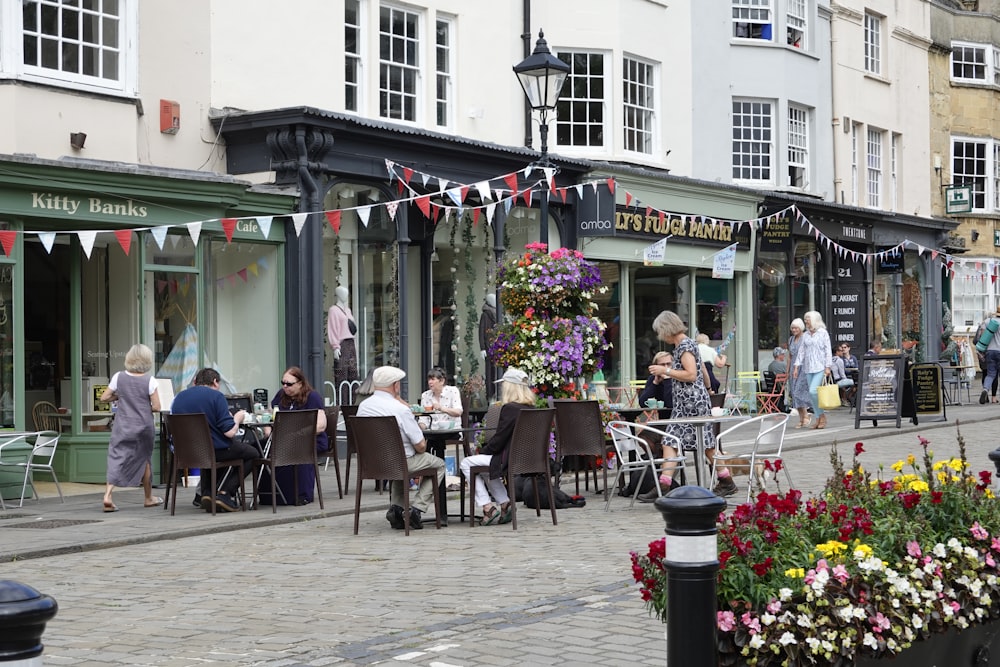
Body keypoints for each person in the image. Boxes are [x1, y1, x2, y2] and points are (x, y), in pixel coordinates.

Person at [642, 310, 734, 499]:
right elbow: (702, 372)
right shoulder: (687, 344)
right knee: (675, 441)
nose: (660, 336)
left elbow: (691, 374)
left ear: (667, 329)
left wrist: (665, 369)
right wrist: (708, 389)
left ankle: (725, 481)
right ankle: (665, 484)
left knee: (701, 442)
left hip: (691, 403)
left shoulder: (684, 346)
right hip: (689, 403)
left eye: (660, 331)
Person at [357, 366, 446, 530]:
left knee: (399, 464)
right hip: (402, 461)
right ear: (395, 385)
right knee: (439, 464)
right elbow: (420, 446)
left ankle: (396, 508)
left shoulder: (363, 407)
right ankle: (417, 509)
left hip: (372, 463)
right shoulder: (400, 409)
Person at [171, 367, 255, 512]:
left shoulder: (179, 397)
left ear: (195, 382)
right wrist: (237, 418)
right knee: (252, 454)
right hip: (214, 451)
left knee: (213, 448)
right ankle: (225, 493)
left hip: (185, 453)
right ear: (215, 382)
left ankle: (208, 493)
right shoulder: (216, 397)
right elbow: (229, 432)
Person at [459, 367, 534, 525]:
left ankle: (488, 507)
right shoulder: (530, 408)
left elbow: (500, 439)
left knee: (466, 463)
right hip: (524, 457)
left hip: (507, 458)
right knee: (485, 469)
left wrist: (482, 451)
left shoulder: (510, 409)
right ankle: (505, 503)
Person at [100, 344, 161, 512]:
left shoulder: (118, 377)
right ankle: (148, 498)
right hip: (143, 427)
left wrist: (120, 395)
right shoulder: (150, 380)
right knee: (145, 459)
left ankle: (108, 495)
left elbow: (104, 397)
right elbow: (156, 406)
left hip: (123, 425)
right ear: (147, 360)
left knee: (116, 457)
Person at [264, 366, 328, 505]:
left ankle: (299, 494)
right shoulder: (281, 395)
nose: (285, 387)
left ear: (300, 383)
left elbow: (321, 425)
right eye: (283, 383)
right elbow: (271, 416)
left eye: (289, 384)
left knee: (296, 448)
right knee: (261, 448)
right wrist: (268, 430)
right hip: (282, 440)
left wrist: (299, 433)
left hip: (309, 440)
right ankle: (268, 494)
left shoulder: (312, 397)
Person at [793, 311, 833, 430]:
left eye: (808, 319)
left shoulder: (823, 333)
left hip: (820, 367)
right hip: (808, 367)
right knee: (812, 394)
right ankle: (818, 418)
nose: (806, 321)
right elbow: (801, 352)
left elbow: (828, 350)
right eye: (805, 319)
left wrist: (828, 366)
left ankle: (821, 416)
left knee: (812, 391)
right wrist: (796, 366)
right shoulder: (805, 335)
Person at [420, 367, 463, 457]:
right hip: (433, 431)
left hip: (452, 430)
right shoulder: (425, 395)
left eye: (433, 379)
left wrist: (441, 408)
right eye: (429, 379)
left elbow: (458, 412)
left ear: (442, 381)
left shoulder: (453, 391)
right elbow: (424, 420)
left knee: (435, 439)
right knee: (421, 438)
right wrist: (419, 427)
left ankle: (437, 465)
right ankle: (428, 466)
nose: (429, 382)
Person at [328, 286, 359, 388]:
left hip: (351, 343)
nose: (346, 296)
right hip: (342, 344)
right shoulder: (333, 310)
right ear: (338, 294)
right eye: (343, 293)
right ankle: (342, 401)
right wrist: (335, 347)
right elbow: (333, 328)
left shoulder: (348, 310)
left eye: (346, 293)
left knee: (353, 374)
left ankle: (352, 401)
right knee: (342, 374)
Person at [787, 318, 813, 428]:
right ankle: (802, 419)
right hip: (793, 368)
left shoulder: (805, 338)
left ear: (801, 328)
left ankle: (806, 415)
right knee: (794, 394)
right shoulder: (791, 339)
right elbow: (789, 356)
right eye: (792, 328)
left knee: (799, 392)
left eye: (796, 328)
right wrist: (787, 370)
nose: (794, 330)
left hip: (803, 368)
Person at [980, 305, 1000, 406]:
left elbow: (982, 335)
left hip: (990, 351)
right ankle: (994, 397)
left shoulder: (988, 321)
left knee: (990, 374)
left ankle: (985, 389)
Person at [479, 293, 498, 398]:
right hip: (489, 347)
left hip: (498, 348)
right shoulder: (485, 315)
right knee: (490, 372)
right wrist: (482, 348)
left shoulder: (499, 313)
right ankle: (490, 395)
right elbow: (481, 332)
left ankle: (497, 393)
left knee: (497, 371)